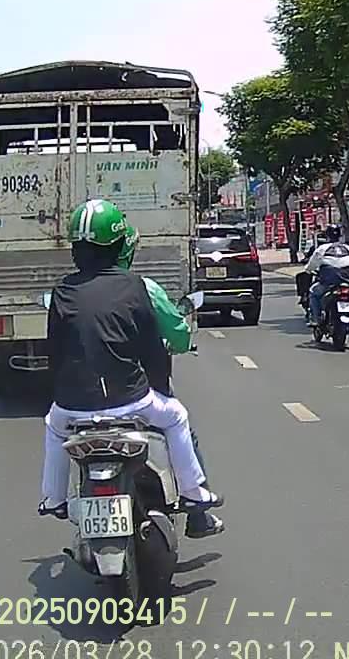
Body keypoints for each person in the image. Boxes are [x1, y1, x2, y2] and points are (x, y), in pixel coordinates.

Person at [39, 199, 224, 535]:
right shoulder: (137, 286)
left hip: (72, 406)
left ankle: (53, 498)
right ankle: (194, 494)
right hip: (131, 400)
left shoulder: (62, 291)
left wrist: (64, 392)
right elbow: (153, 348)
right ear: (119, 245)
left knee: (53, 427)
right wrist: (156, 384)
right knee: (176, 417)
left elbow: (55, 352)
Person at [112, 219, 223, 538]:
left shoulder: (72, 290)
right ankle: (198, 512)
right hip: (140, 394)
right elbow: (179, 334)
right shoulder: (143, 288)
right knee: (181, 427)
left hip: (82, 400)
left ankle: (56, 499)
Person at [304, 225, 349, 326]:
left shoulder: (322, 248)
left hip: (327, 283)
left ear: (327, 236)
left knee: (313, 293)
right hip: (345, 282)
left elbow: (312, 264)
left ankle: (316, 318)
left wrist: (308, 270)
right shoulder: (347, 248)